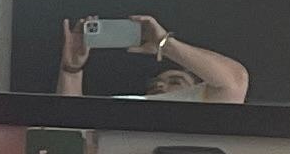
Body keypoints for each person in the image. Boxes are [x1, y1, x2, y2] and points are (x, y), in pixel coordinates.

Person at [54, 16, 250, 103]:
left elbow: (235, 80)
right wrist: (71, 70)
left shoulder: (206, 106)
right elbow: (71, 129)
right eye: (156, 82)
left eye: (176, 81)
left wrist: (164, 44)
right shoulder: (122, 104)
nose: (160, 85)